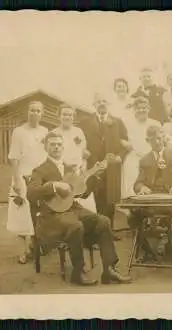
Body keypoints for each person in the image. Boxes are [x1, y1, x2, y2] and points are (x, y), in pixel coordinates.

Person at [26, 131, 132, 286]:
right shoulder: (39, 170)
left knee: (103, 221)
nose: (56, 147)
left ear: (63, 147)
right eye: (52, 144)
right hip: (52, 216)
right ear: (46, 147)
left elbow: (82, 194)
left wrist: (94, 177)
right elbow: (31, 193)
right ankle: (78, 272)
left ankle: (109, 269)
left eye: (59, 144)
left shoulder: (71, 168)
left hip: (72, 209)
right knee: (76, 226)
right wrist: (54, 185)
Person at [128, 125, 172, 259]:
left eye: (158, 138)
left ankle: (171, 243)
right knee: (133, 215)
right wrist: (142, 188)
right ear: (147, 141)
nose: (156, 142)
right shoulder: (145, 159)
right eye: (152, 140)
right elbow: (138, 183)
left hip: (171, 195)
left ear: (163, 137)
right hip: (153, 198)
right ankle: (145, 248)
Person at [80, 92, 130, 240]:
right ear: (94, 104)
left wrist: (120, 157)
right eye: (99, 101)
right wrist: (83, 151)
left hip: (112, 166)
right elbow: (80, 142)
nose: (101, 104)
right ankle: (97, 231)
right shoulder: (85, 122)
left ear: (108, 104)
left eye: (104, 101)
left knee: (110, 198)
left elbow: (125, 143)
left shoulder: (117, 122)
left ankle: (109, 229)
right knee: (95, 196)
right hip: (93, 165)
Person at [6, 100, 48, 264]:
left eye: (38, 111)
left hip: (38, 177)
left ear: (42, 114)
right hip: (22, 175)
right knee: (22, 212)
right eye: (32, 110)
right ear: (27, 112)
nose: (35, 113)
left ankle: (36, 246)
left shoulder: (45, 131)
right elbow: (14, 157)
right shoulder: (19, 132)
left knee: (39, 211)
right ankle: (24, 250)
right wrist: (16, 179)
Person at [52, 103, 96, 212]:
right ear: (59, 116)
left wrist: (83, 167)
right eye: (64, 114)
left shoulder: (78, 132)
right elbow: (51, 156)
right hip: (61, 173)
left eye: (70, 115)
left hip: (78, 172)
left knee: (82, 203)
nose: (67, 117)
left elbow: (83, 153)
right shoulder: (54, 133)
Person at [121, 96, 161, 198]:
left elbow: (161, 141)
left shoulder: (155, 123)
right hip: (133, 157)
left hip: (150, 158)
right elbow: (120, 138)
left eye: (144, 108)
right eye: (138, 108)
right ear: (134, 109)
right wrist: (124, 143)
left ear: (149, 109)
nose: (141, 110)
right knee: (131, 183)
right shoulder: (127, 123)